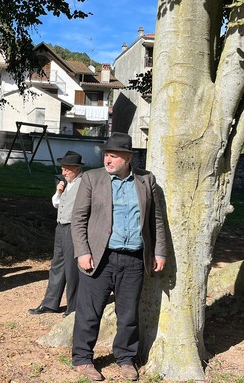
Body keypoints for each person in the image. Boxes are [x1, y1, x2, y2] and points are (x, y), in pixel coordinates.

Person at [71, 132, 167, 381]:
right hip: (99, 257)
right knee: (90, 312)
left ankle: (125, 358)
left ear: (128, 158)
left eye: (113, 156)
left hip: (134, 258)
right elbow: (78, 219)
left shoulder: (146, 180)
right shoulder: (92, 179)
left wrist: (159, 251)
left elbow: (156, 219)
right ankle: (82, 358)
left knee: (128, 313)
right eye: (106, 155)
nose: (107, 160)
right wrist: (82, 251)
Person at [28, 150, 83, 318]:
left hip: (74, 228)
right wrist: (59, 191)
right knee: (57, 266)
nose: (63, 172)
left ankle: (74, 306)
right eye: (62, 168)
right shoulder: (67, 183)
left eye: (67, 169)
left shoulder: (83, 183)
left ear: (77, 168)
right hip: (61, 228)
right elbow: (56, 204)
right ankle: (50, 303)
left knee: (72, 269)